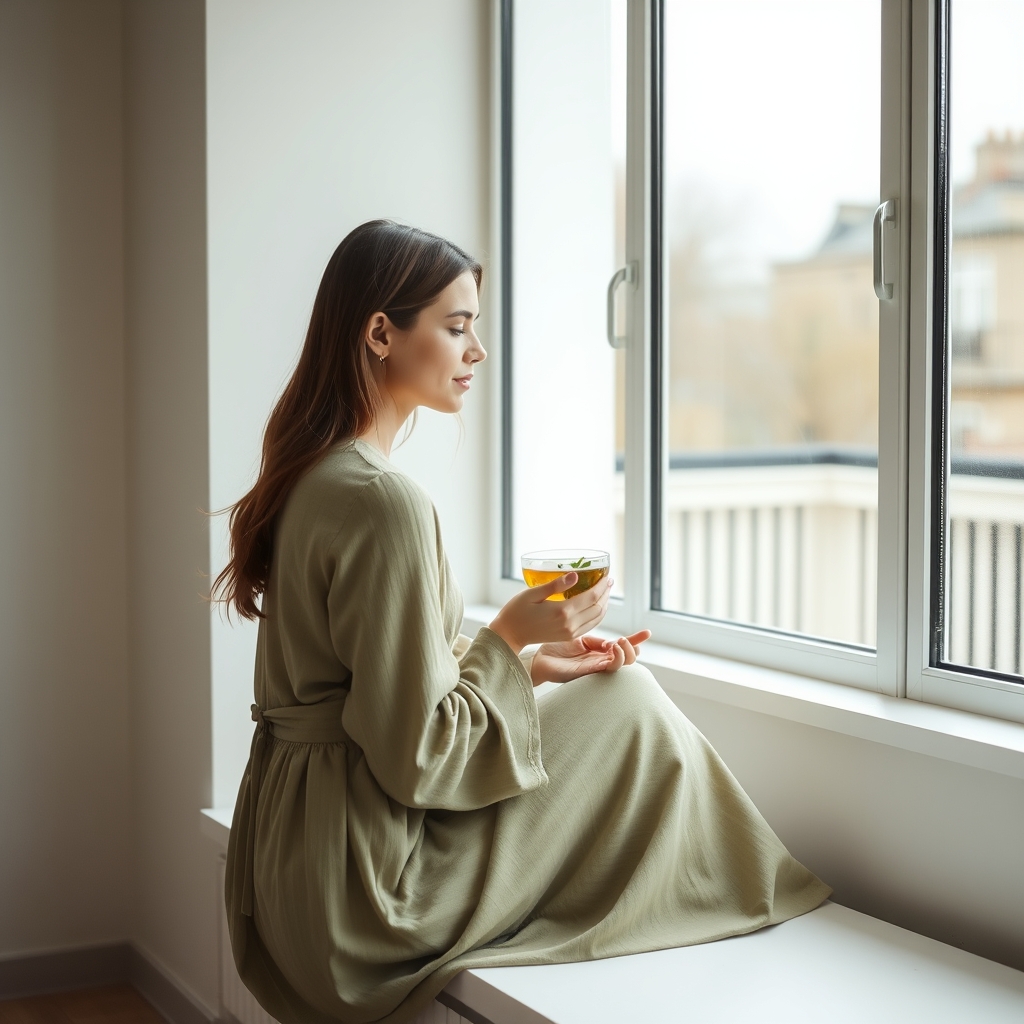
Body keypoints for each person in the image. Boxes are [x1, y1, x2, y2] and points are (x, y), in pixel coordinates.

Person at [216, 220, 830, 1024]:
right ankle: (761, 897)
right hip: (366, 891)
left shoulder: (312, 478)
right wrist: (507, 636)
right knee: (631, 703)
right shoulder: (383, 501)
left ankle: (730, 894)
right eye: (456, 326)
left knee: (607, 697)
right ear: (379, 333)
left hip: (288, 865)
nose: (476, 352)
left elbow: (372, 690)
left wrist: (532, 665)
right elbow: (420, 758)